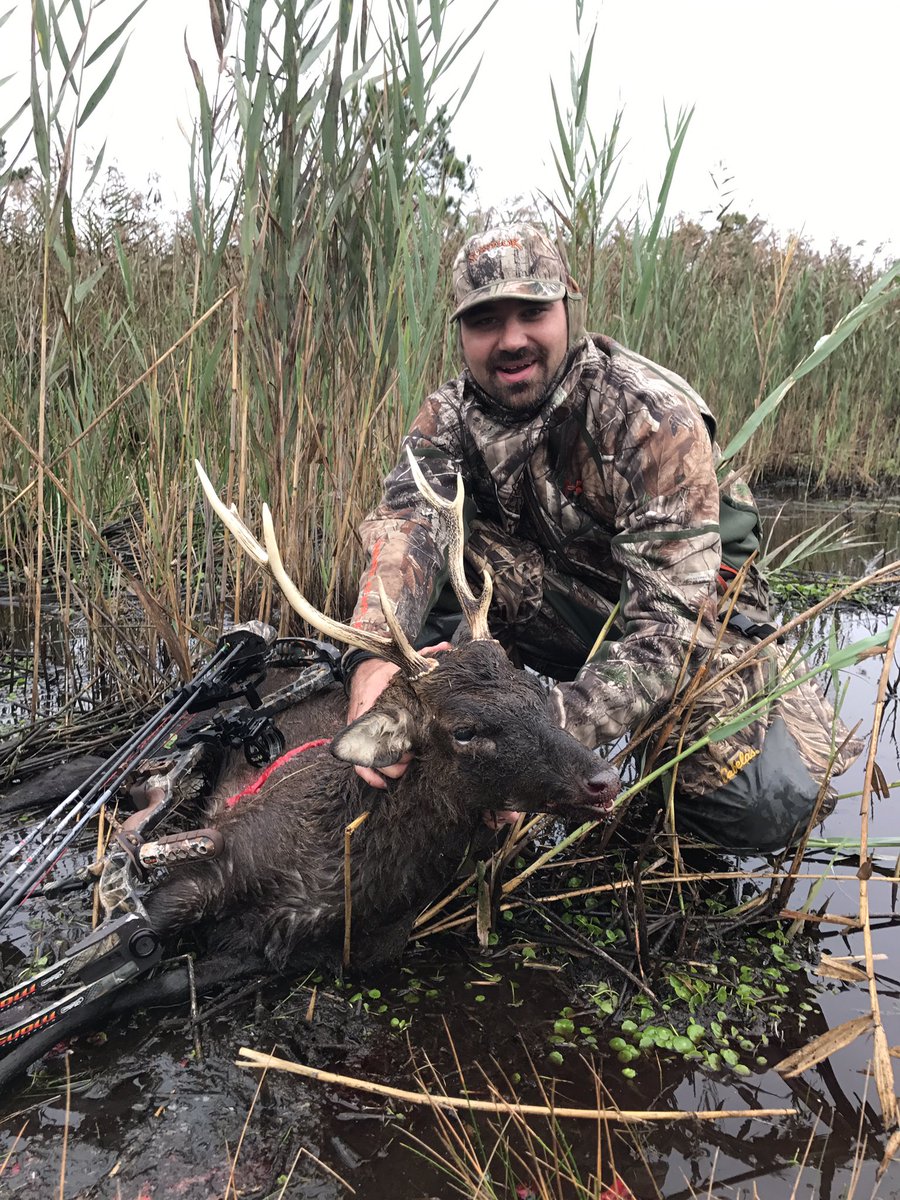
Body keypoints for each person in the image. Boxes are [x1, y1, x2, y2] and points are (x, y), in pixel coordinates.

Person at [342, 224, 860, 852]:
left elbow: (671, 627)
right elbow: (407, 528)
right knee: (450, 564)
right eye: (485, 320)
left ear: (569, 308)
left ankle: (774, 713)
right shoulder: (447, 417)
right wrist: (371, 659)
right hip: (566, 605)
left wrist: (540, 742)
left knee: (759, 810)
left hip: (696, 624)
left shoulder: (648, 416)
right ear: (461, 333)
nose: (511, 339)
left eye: (532, 312)